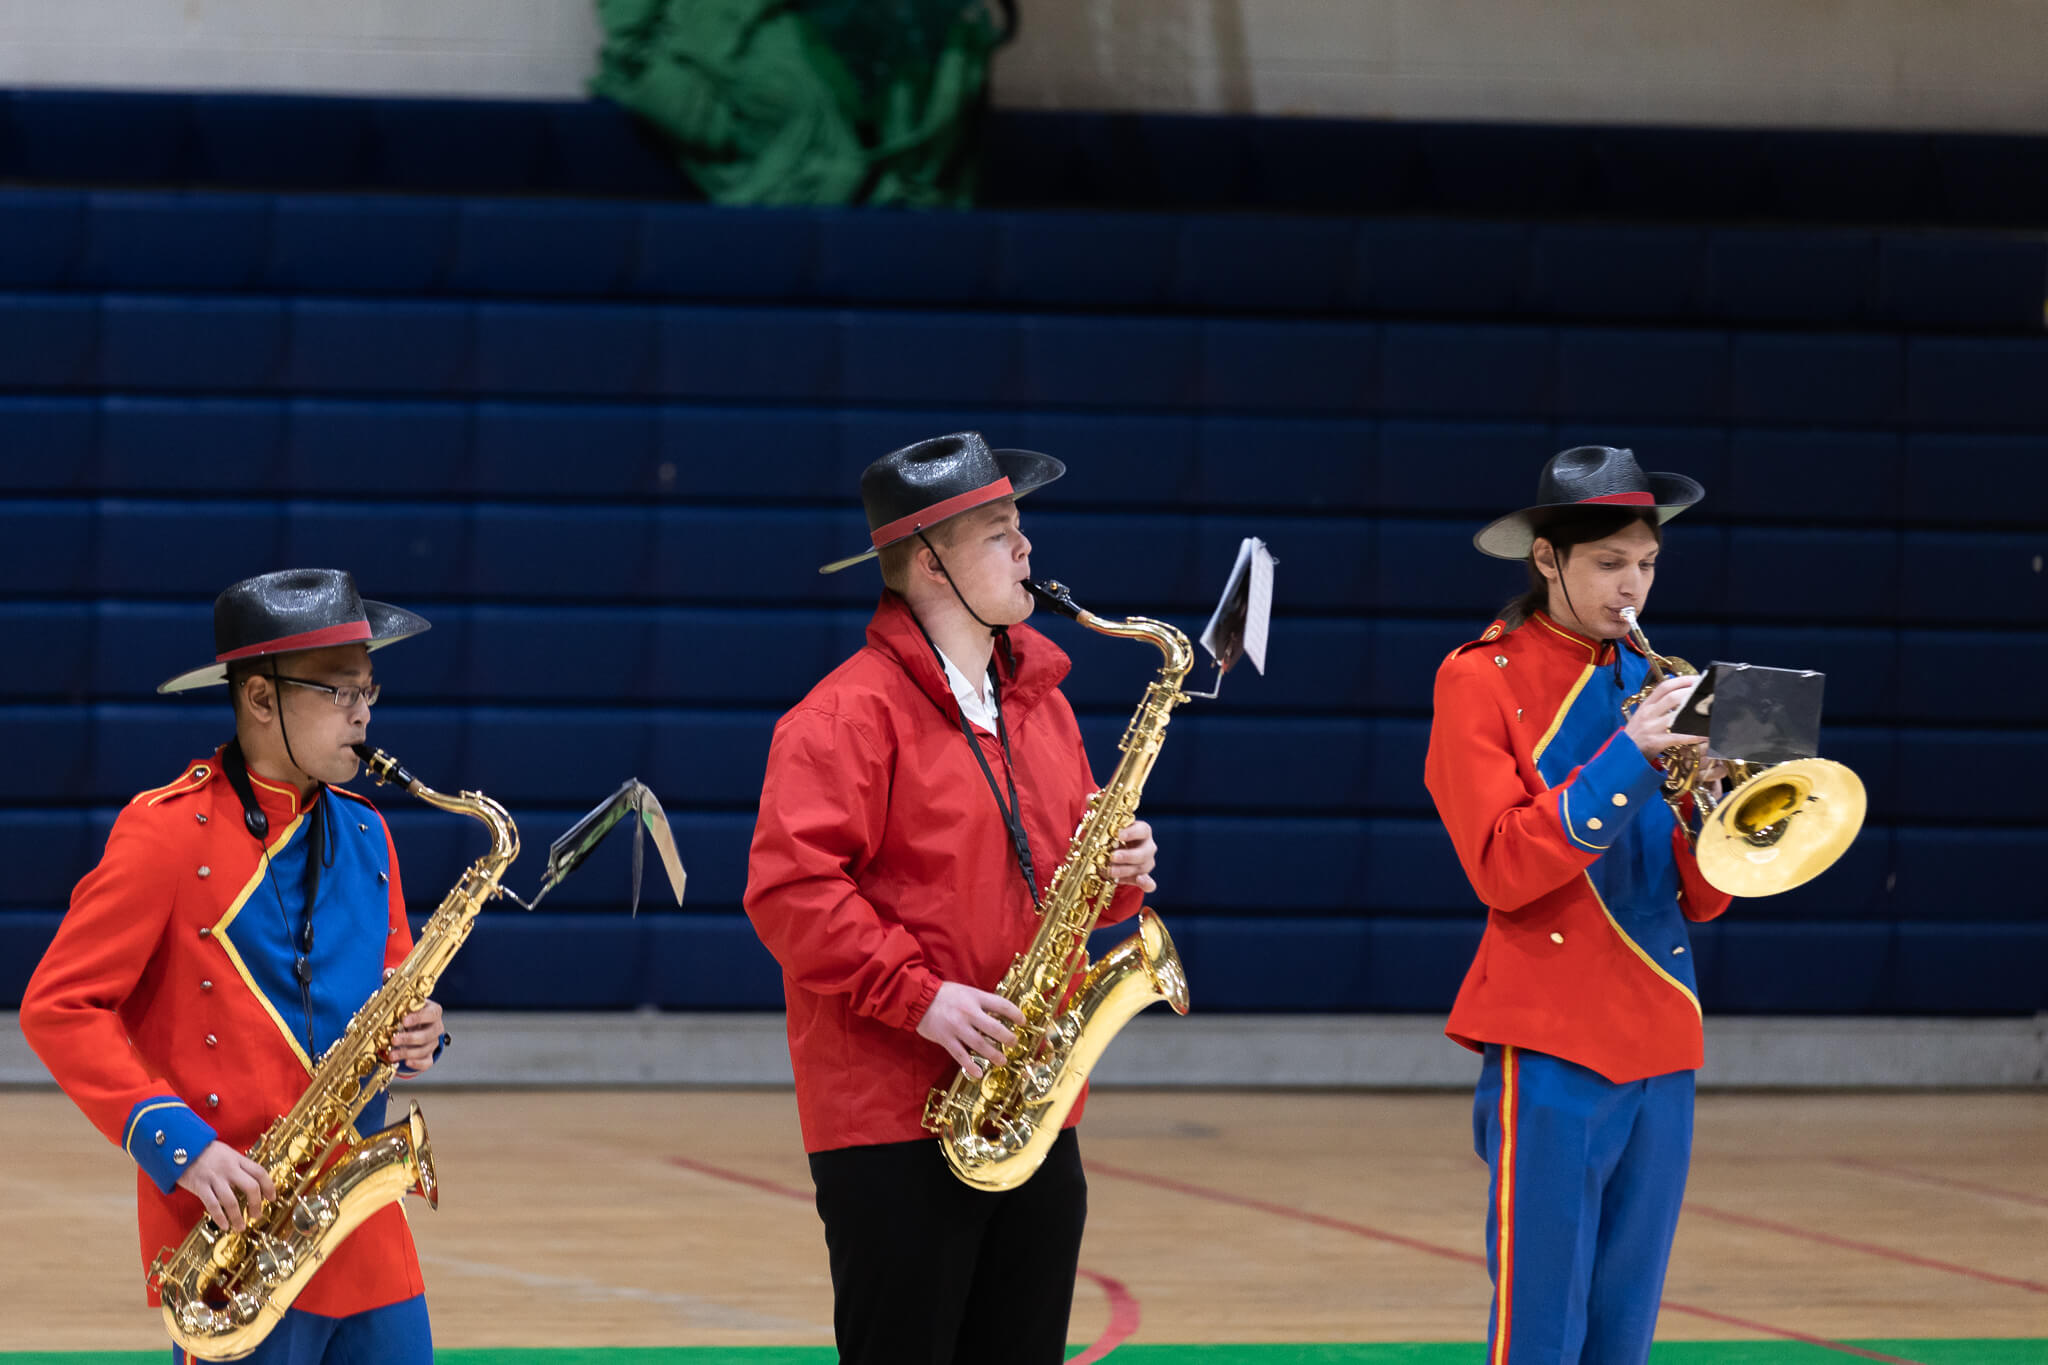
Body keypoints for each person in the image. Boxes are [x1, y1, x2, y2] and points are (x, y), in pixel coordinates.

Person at [744, 431, 1160, 1365]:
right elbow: (791, 893)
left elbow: (1052, 888)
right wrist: (921, 997)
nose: (1026, 548)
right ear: (930, 560)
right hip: (893, 1118)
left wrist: (1117, 875)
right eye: (1000, 531)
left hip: (1034, 1107)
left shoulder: (1043, 705)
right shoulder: (840, 716)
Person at [21, 568, 448, 1365]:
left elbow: (393, 988)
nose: (363, 712)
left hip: (366, 1233)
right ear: (259, 697)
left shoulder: (367, 832)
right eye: (340, 690)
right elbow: (59, 1006)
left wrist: (423, 1030)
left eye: (369, 689)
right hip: (238, 1238)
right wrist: (179, 1144)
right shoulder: (165, 833)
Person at [1424, 446, 1736, 1365]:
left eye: (1646, 562)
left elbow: (1705, 900)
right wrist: (1633, 755)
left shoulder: (1659, 681)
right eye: (1608, 563)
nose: (1632, 585)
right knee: (1542, 1322)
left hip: (1664, 1032)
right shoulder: (1479, 677)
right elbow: (1502, 866)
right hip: (1550, 1031)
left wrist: (1716, 802)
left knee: (1626, 1323)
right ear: (1547, 559)